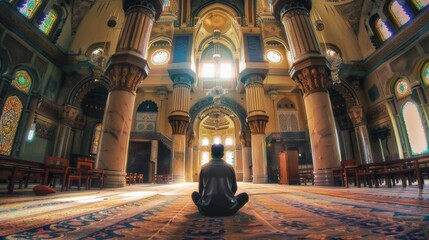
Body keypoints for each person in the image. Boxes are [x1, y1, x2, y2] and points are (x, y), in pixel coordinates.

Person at [191, 144, 249, 216]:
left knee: (194, 194)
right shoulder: (230, 167)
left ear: (211, 154)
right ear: (223, 154)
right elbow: (234, 188)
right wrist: (227, 197)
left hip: (207, 210)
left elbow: (200, 190)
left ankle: (206, 207)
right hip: (229, 209)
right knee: (244, 196)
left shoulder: (204, 167)